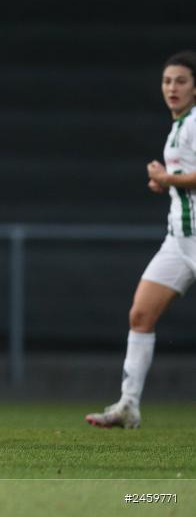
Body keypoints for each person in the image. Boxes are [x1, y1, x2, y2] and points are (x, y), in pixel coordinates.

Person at [86, 50, 196, 429]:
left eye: (181, 81)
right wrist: (167, 183)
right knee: (140, 314)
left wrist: (169, 180)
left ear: (195, 87)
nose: (172, 88)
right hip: (179, 241)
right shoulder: (180, 126)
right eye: (167, 81)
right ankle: (128, 405)